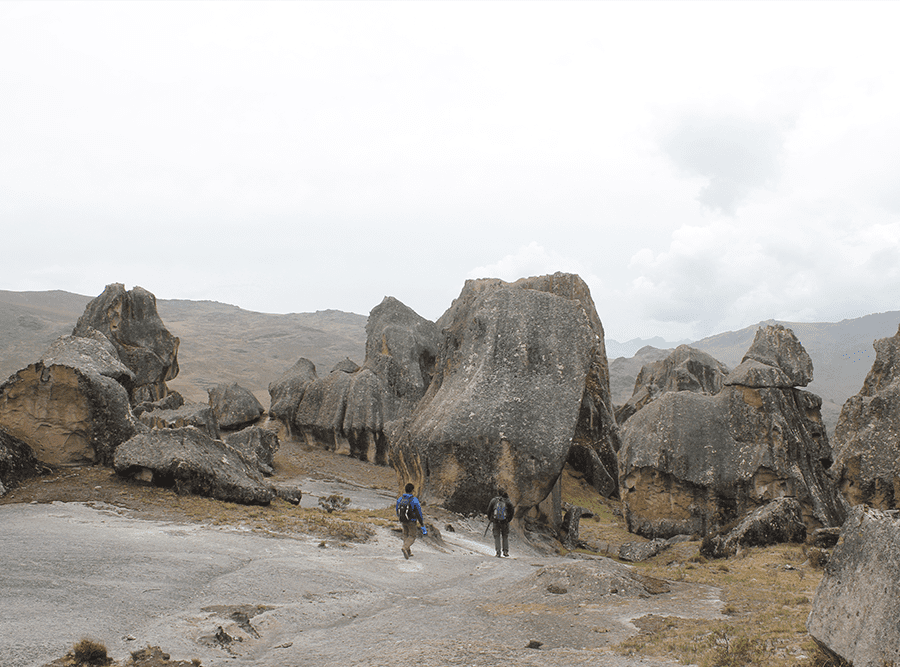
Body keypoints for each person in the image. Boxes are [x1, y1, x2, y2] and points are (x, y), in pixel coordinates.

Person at [395, 482, 426, 559]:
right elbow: (419, 513)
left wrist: (400, 517)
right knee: (412, 536)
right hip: (411, 521)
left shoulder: (400, 499)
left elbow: (397, 510)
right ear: (412, 490)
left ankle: (408, 552)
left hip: (403, 520)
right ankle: (405, 547)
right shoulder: (414, 500)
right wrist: (422, 524)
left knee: (406, 534)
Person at [487, 490, 514, 558]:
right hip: (505, 521)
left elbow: (489, 510)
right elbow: (512, 511)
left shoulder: (494, 500)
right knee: (505, 536)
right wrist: (508, 519)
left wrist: (491, 519)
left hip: (496, 521)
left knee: (497, 536)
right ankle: (505, 551)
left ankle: (498, 552)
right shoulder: (508, 501)